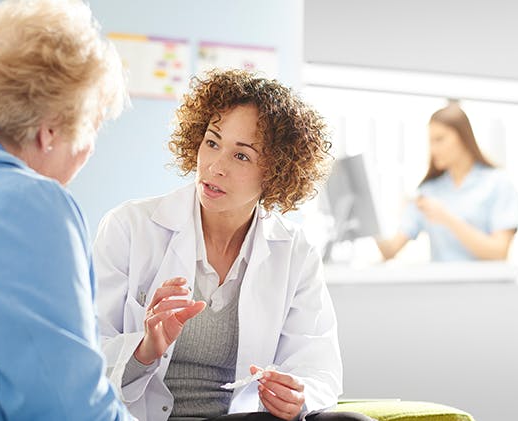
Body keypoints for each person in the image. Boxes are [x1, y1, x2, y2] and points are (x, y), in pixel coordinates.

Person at [93, 70, 370, 421]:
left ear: (276, 172)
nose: (214, 166)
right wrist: (146, 348)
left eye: (241, 156)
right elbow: (86, 358)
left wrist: (297, 394)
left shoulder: (295, 251)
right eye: (211, 142)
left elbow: (319, 370)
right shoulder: (129, 227)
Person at [0, 1, 133, 419]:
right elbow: (66, 406)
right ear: (50, 131)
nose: (89, 148)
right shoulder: (26, 207)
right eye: (93, 126)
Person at [377, 103, 518, 262]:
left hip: (486, 286)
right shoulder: (428, 191)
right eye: (431, 142)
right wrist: (369, 218)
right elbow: (390, 250)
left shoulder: (497, 183)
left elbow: (499, 252)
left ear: (463, 138)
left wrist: (446, 218)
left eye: (440, 139)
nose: (433, 149)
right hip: (442, 286)